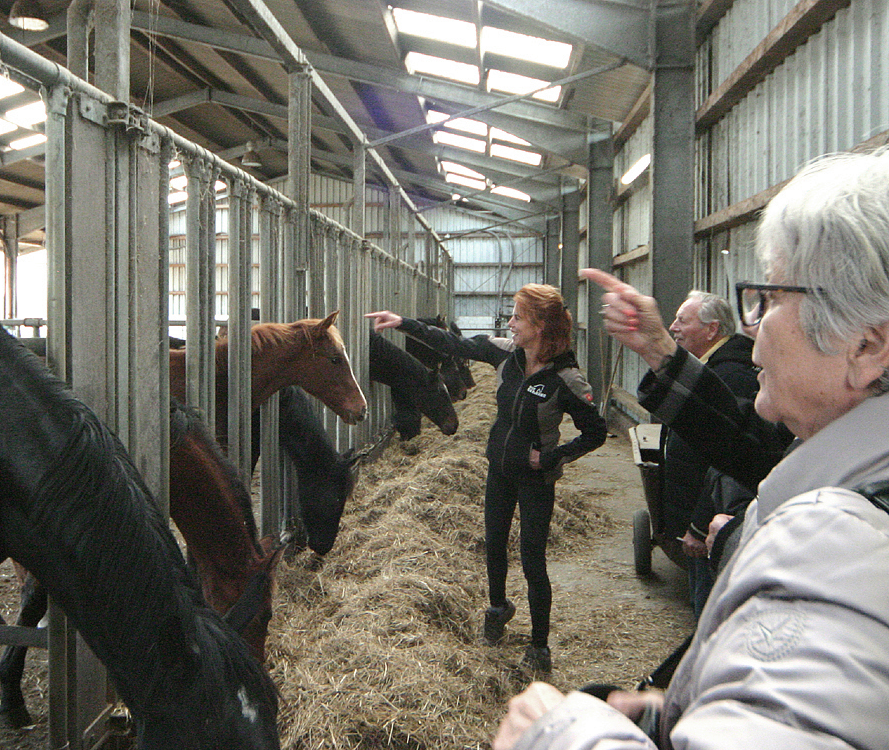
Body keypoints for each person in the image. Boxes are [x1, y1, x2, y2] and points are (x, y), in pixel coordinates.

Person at [491, 148, 889, 750]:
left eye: (770, 299)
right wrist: (669, 714)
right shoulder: (842, 468)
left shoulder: (846, 545)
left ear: (866, 346)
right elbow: (754, 447)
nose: (752, 329)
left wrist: (560, 735)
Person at [366, 284, 607, 676]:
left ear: (540, 326)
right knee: (494, 544)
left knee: (533, 560)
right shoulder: (505, 354)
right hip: (499, 469)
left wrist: (551, 457)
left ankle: (539, 645)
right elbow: (453, 344)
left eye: (517, 317)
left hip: (535, 480)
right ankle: (498, 609)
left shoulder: (567, 379)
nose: (510, 323)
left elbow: (596, 432)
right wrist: (403, 323)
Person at [658, 290, 759, 617]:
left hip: (713, 524)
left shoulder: (731, 377)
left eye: (682, 321)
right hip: (699, 516)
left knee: (707, 606)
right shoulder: (709, 368)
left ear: (712, 329)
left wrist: (700, 526)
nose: (673, 327)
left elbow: (726, 463)